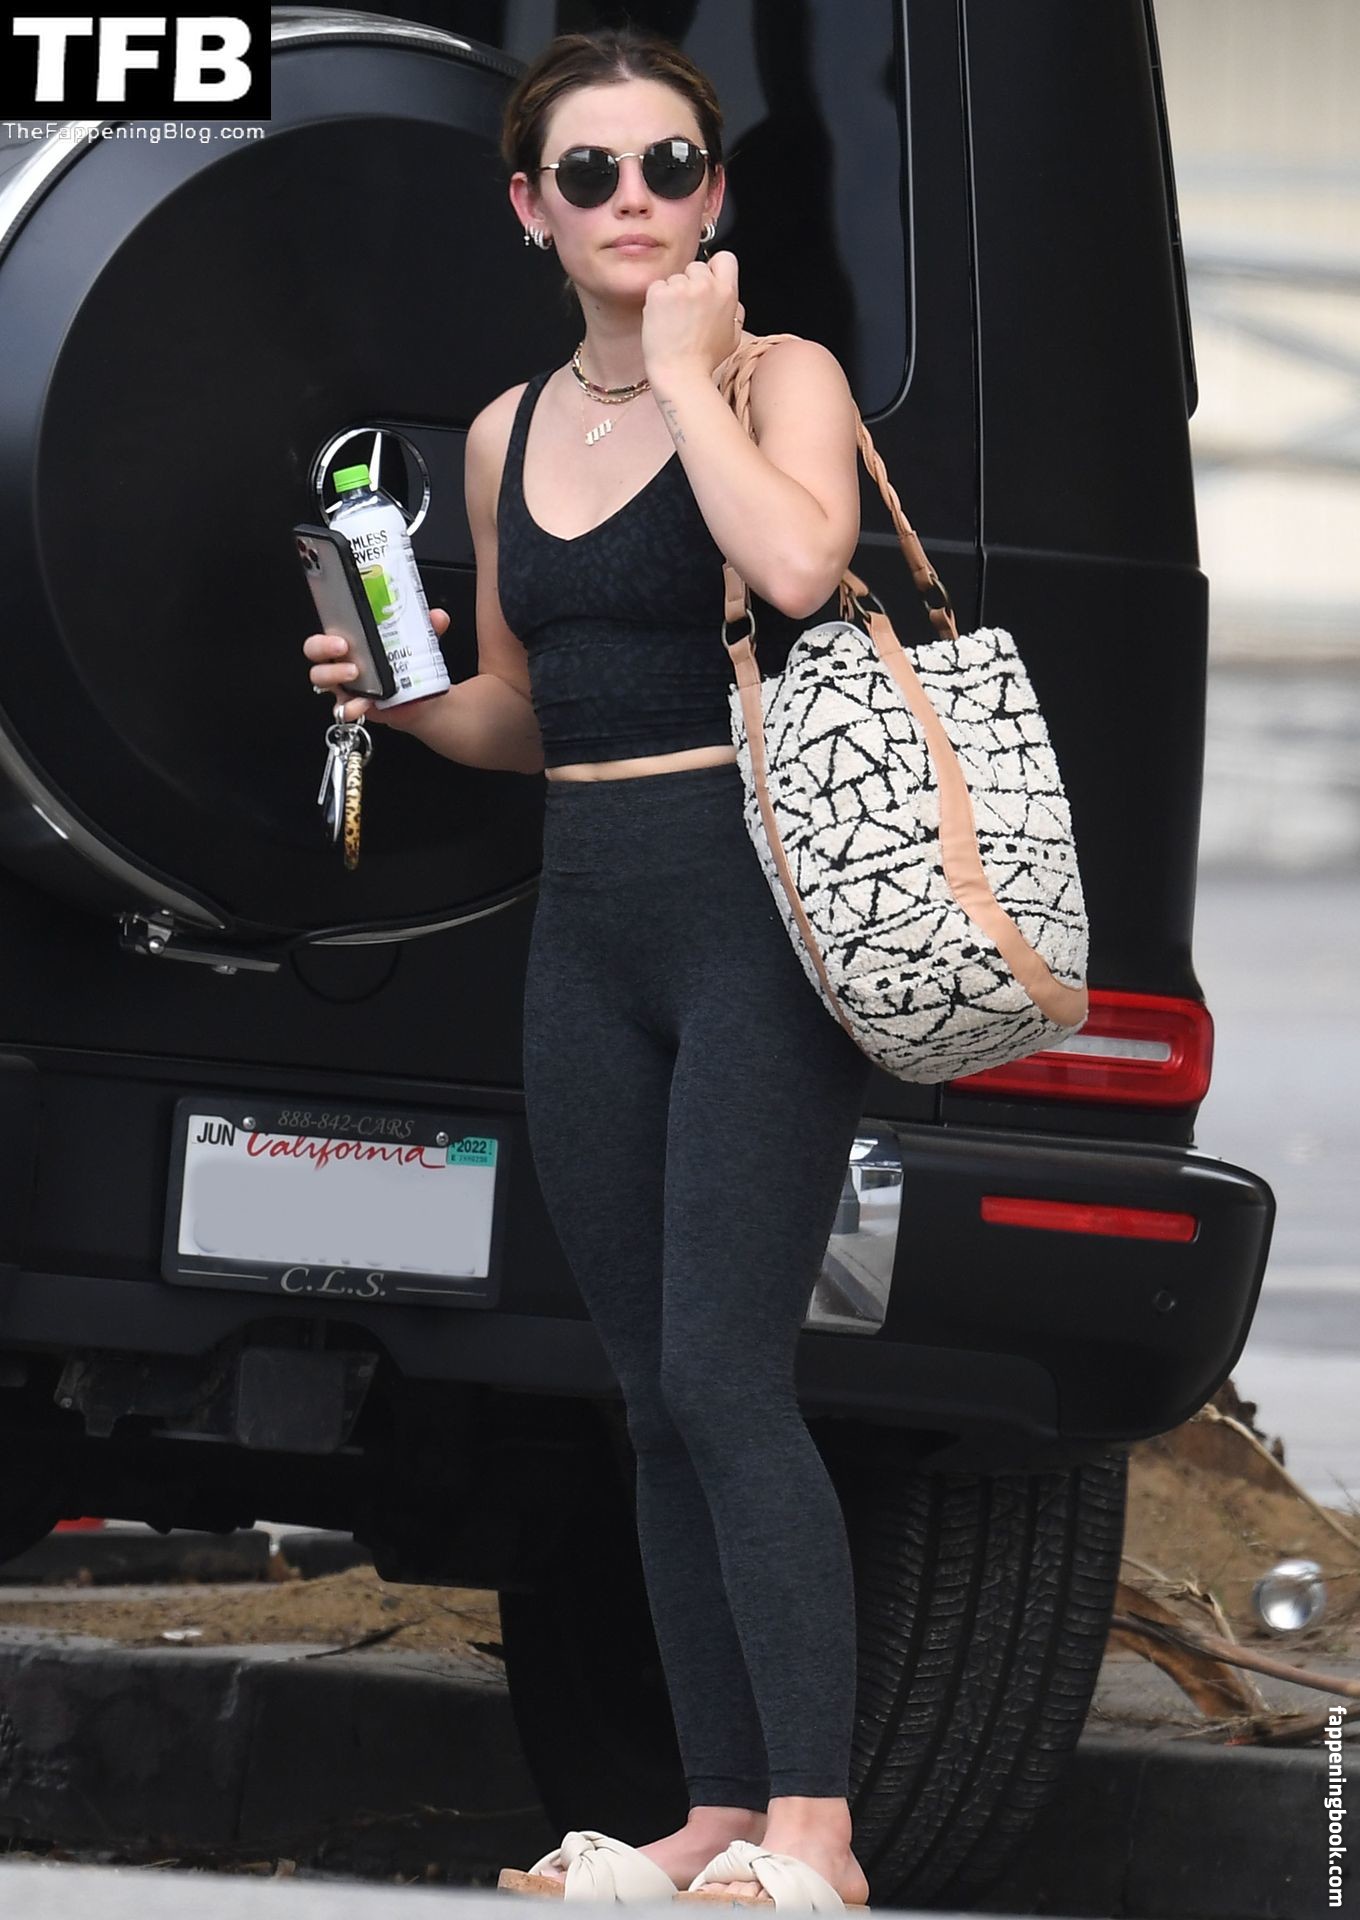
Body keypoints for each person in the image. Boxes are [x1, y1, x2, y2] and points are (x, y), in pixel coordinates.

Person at [303, 27, 873, 1907]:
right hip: (591, 916)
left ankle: (815, 1831)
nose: (637, 200)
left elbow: (797, 572)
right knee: (645, 1387)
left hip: (751, 914)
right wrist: (399, 697)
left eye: (673, 167)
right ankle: (711, 1809)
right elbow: (528, 713)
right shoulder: (506, 433)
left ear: (716, 193)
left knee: (728, 1374)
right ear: (528, 207)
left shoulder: (780, 376)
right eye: (594, 173)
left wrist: (694, 372)